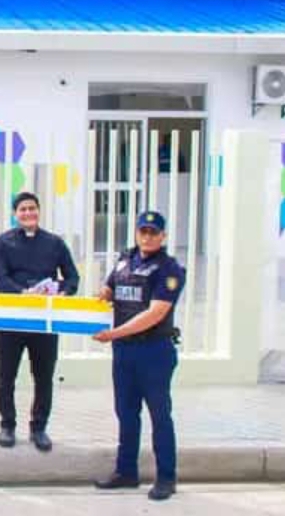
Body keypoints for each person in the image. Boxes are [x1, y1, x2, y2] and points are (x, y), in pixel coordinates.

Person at [93, 211, 186, 502]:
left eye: (153, 232)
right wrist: (98, 299)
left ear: (163, 236)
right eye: (143, 231)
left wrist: (114, 333)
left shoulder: (169, 270)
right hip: (124, 351)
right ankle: (126, 472)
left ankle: (166, 478)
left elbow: (155, 313)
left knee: (159, 414)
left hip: (153, 351)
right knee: (126, 412)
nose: (147, 237)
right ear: (136, 233)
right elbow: (109, 289)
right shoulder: (125, 260)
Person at [0, 191, 79, 452]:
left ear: (38, 211)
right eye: (23, 209)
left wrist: (62, 292)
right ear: (15, 214)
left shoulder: (54, 243)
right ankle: (7, 425)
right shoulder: (2, 243)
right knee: (6, 374)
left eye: (32, 208)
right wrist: (22, 293)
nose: (28, 213)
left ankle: (39, 427)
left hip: (44, 321)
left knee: (43, 376)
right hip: (12, 318)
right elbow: (0, 278)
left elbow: (72, 277)